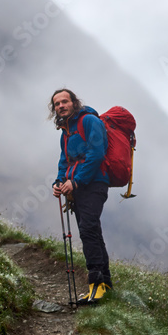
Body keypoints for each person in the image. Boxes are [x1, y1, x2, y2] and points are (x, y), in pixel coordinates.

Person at [50, 88, 112, 303]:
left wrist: (76, 181)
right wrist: (59, 182)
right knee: (92, 231)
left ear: (74, 103)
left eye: (64, 101)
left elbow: (97, 155)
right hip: (77, 188)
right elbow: (64, 161)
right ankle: (104, 285)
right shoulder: (65, 131)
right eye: (57, 104)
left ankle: (96, 286)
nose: (61, 106)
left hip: (94, 184)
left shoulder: (90, 122)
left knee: (88, 231)